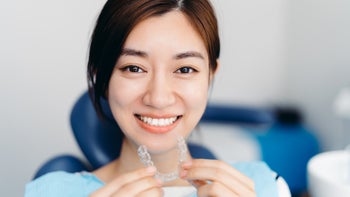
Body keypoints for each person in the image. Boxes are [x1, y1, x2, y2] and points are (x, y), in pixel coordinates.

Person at [25, 0, 290, 196]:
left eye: (185, 69)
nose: (159, 98)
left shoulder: (265, 186)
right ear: (103, 79)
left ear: (209, 76)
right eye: (134, 68)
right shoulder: (50, 192)